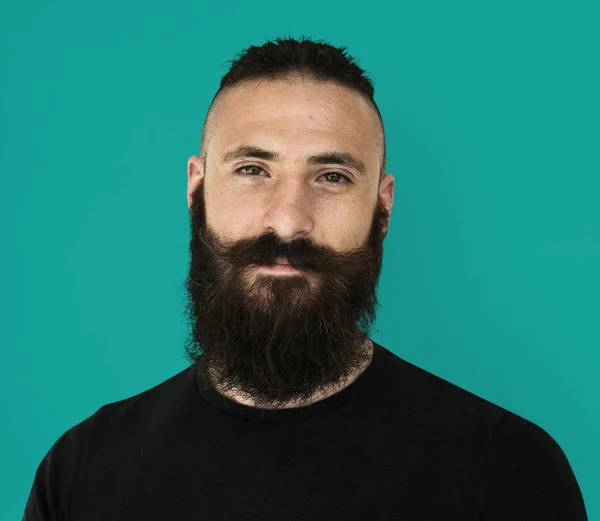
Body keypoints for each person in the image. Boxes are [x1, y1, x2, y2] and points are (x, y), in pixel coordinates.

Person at [23, 36, 588, 520]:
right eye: (252, 169)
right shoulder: (82, 470)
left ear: (382, 208)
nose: (289, 220)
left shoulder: (507, 467)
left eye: (333, 176)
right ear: (196, 189)